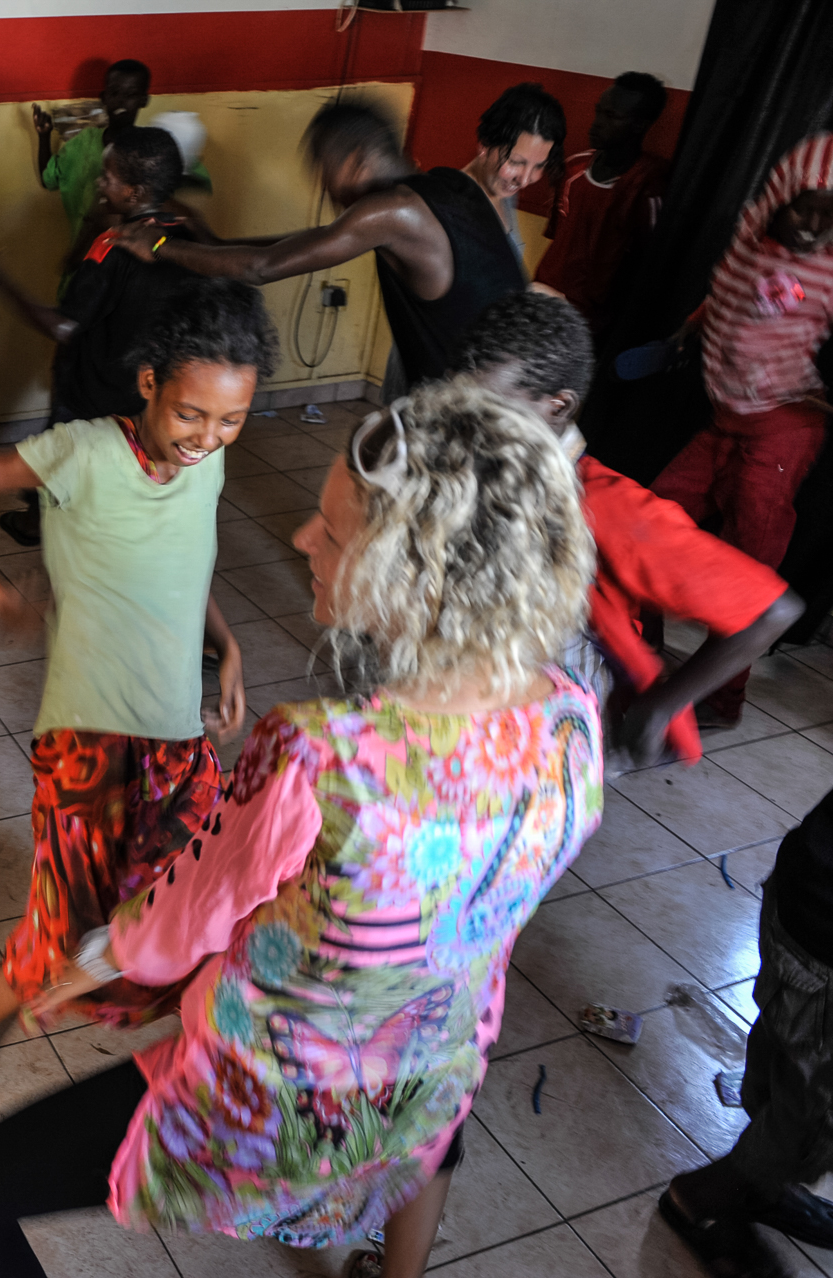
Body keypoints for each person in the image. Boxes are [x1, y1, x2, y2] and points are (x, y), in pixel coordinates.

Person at [0, 382, 603, 1278]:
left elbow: (185, 913)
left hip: (282, 1095)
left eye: (332, 531)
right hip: (431, 1071)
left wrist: (85, 964)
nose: (300, 540)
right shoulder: (570, 721)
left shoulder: (324, 755)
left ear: (415, 571)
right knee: (433, 1138)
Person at [0, 282, 270, 1147]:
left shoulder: (206, 459)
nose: (207, 439)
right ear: (147, 384)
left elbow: (188, 561)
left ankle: (206, 1071)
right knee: (58, 938)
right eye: (191, 415)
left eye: (230, 421)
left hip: (176, 734)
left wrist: (227, 647)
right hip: (86, 738)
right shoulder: (80, 453)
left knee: (203, 901)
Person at [454, 291, 802, 760]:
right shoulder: (486, 468)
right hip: (473, 696)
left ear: (558, 406)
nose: (467, 426)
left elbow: (771, 612)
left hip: (546, 727)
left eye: (490, 412)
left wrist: (660, 707)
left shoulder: (603, 505)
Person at [116, 98, 528, 389]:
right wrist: (214, 242)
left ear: (354, 160)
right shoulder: (445, 185)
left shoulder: (392, 209)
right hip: (513, 383)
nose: (322, 186)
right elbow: (303, 244)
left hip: (483, 401)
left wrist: (159, 246)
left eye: (322, 169)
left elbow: (263, 267)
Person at [649, 133, 833, 726]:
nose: (814, 224)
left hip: (781, 432)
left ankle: (721, 700)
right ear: (781, 192)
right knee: (652, 520)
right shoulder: (755, 230)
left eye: (832, 216)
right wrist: (693, 324)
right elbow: (735, 289)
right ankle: (644, 656)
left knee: (749, 576)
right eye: (807, 205)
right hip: (725, 419)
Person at [0, 126, 203, 547]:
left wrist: (1, 283)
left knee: (64, 456)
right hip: (146, 390)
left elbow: (64, 326)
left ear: (134, 193)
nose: (100, 183)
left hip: (93, 387)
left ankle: (41, 526)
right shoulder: (188, 236)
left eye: (108, 176)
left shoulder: (112, 246)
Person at [660, 784, 833, 1278]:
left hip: (805, 887)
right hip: (826, 935)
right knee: (813, 1118)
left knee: (784, 1054)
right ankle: (705, 1199)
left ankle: (766, 1187)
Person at [533, 73, 670, 342]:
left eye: (612, 116)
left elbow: (649, 265)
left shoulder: (649, 185)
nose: (597, 123)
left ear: (639, 125)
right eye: (599, 112)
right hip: (544, 302)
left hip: (593, 325)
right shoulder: (573, 169)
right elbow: (558, 237)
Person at [35, 59, 149, 246]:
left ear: (143, 100)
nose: (121, 100)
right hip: (83, 261)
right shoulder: (82, 144)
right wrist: (44, 136)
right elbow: (48, 178)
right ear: (103, 98)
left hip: (130, 265)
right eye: (114, 93)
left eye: (131, 94)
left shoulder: (150, 150)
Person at [461, 82, 568, 269]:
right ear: (485, 145)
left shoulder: (504, 192)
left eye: (539, 166)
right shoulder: (451, 206)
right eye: (516, 162)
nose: (524, 181)